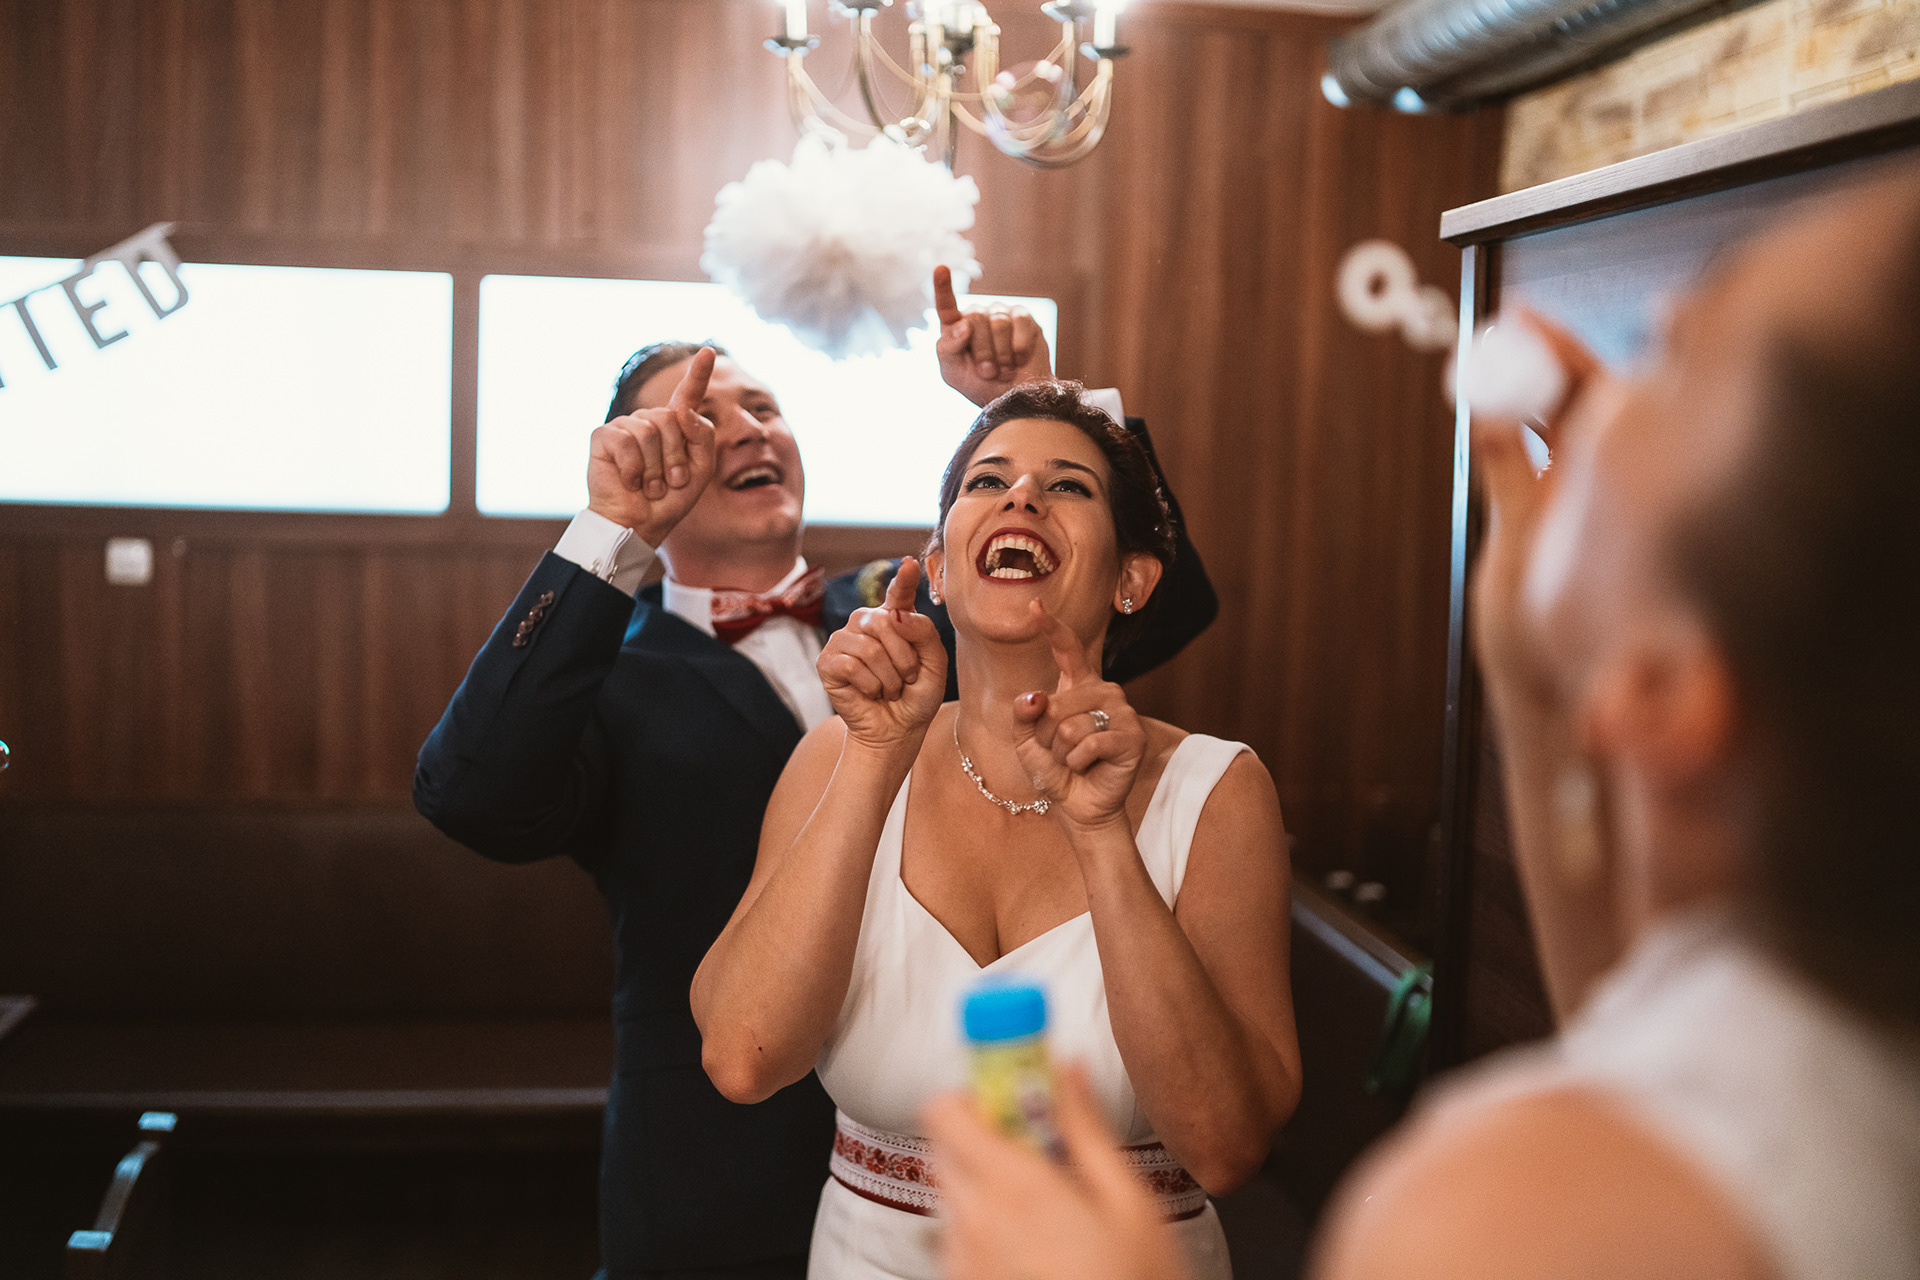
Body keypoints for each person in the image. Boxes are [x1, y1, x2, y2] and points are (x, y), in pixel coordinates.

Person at [921, 170, 1920, 1280]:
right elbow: (1629, 1018)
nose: (1633, 355)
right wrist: (1530, 685)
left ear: (1662, 697)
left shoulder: (1494, 1215)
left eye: (1676, 364)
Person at [413, 271, 1218, 1280]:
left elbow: (1162, 608)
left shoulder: (923, 608)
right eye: (700, 421)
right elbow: (470, 793)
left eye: (763, 406)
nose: (747, 429)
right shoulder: (602, 671)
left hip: (949, 1168)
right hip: (720, 1170)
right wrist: (611, 530)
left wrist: (1040, 406)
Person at [691, 381, 1302, 1280]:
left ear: (1133, 580)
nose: (1021, 497)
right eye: (988, 481)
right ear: (939, 568)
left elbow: (1224, 1146)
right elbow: (743, 1060)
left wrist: (1102, 833)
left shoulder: (1218, 789)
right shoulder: (836, 758)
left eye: (1068, 486)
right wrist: (876, 755)